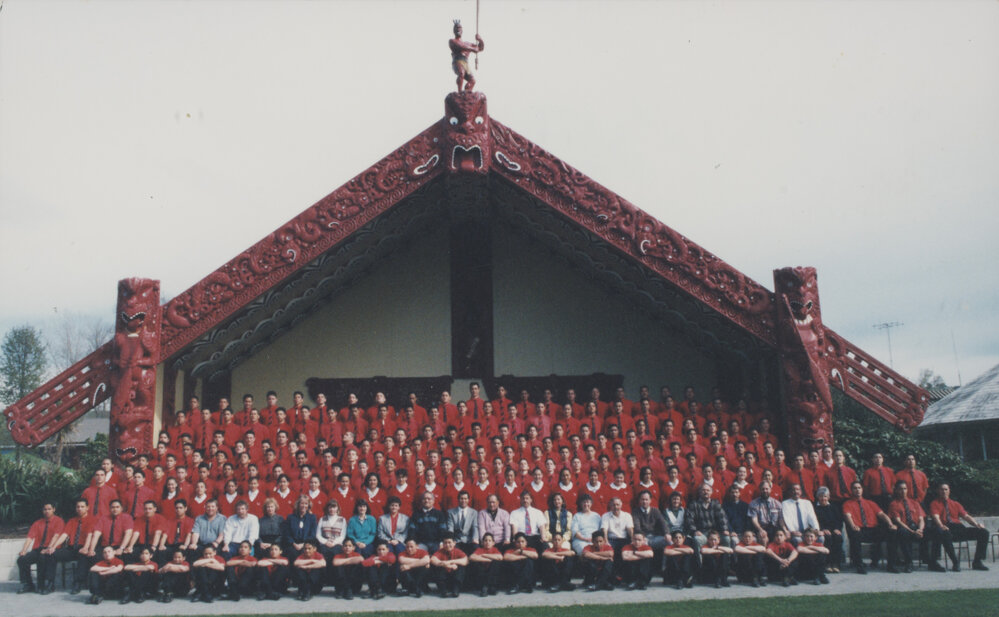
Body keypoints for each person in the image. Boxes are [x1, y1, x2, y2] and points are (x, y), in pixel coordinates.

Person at [928, 483, 990, 571]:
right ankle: (955, 562)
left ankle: (977, 562)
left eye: (946, 489)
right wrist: (941, 526)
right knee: (944, 533)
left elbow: (966, 516)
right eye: (942, 489)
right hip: (946, 528)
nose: (944, 491)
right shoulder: (934, 503)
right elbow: (935, 517)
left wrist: (977, 524)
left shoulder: (955, 504)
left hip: (958, 528)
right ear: (938, 491)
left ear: (949, 491)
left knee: (983, 532)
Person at [842, 480, 897, 574]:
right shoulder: (847, 504)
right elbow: (848, 516)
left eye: (859, 488)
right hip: (859, 529)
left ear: (862, 490)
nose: (857, 490)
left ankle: (891, 565)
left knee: (892, 532)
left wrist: (890, 524)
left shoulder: (870, 503)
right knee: (855, 535)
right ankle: (859, 566)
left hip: (873, 530)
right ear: (851, 490)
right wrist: (853, 525)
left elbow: (882, 514)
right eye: (855, 488)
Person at [44, 498, 97, 594]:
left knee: (83, 556)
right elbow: (64, 535)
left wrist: (86, 548)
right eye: (78, 507)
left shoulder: (92, 520)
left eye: (82, 507)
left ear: (87, 508)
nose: (79, 509)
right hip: (71, 548)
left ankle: (78, 583)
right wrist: (53, 547)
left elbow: (90, 535)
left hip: (83, 547)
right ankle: (50, 583)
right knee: (52, 554)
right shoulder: (72, 521)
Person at [16, 502, 63, 594]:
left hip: (51, 548)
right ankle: (28, 584)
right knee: (22, 559)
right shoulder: (37, 523)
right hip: (38, 549)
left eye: (49, 509)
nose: (47, 511)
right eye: (45, 509)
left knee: (43, 557)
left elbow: (56, 536)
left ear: (54, 509)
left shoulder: (59, 521)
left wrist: (48, 548)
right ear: (42, 510)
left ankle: (47, 585)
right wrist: (24, 550)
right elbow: (30, 537)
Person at [887, 480, 926, 573]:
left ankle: (931, 561)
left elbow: (921, 519)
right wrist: (913, 532)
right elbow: (898, 521)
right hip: (904, 527)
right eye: (900, 489)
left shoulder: (914, 503)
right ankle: (909, 563)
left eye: (905, 489)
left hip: (916, 527)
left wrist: (920, 530)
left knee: (933, 532)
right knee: (903, 533)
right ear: (896, 490)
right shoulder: (894, 504)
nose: (903, 491)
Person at [685, 483, 731, 550]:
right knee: (697, 539)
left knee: (726, 538)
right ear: (699, 492)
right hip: (702, 533)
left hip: (715, 532)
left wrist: (724, 529)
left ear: (711, 492)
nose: (705, 492)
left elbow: (722, 517)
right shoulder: (694, 504)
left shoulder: (716, 503)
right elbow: (689, 520)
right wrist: (694, 531)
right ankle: (699, 557)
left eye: (708, 490)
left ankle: (727, 557)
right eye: (703, 490)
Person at [814, 486, 844, 572]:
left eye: (825, 496)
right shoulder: (814, 508)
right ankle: (827, 564)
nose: (823, 498)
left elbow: (839, 520)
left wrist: (837, 528)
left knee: (838, 537)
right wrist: (822, 529)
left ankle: (836, 564)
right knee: (828, 538)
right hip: (822, 530)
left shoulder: (834, 507)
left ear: (828, 497)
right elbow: (815, 521)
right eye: (821, 496)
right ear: (818, 497)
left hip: (833, 529)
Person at [431, 533, 468, 598]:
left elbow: (465, 560)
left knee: (461, 566)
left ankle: (455, 590)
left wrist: (451, 562)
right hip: (444, 580)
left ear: (454, 543)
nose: (447, 545)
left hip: (455, 579)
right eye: (445, 543)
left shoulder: (458, 551)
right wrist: (447, 565)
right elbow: (433, 559)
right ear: (443, 544)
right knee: (439, 566)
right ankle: (444, 591)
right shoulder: (440, 551)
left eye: (449, 542)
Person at [447, 490, 479, 556]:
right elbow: (450, 528)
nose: (463, 501)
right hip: (456, 541)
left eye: (465, 499)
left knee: (476, 550)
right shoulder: (451, 512)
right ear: (458, 499)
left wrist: (475, 539)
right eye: (461, 498)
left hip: (469, 540)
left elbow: (475, 527)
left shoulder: (474, 512)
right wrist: (451, 540)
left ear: (468, 500)